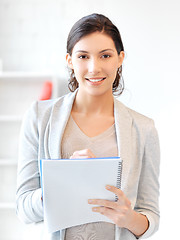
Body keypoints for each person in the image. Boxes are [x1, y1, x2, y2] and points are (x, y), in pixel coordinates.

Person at [16, 13, 160, 240]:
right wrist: (62, 182)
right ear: (70, 60)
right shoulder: (38, 118)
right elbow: (24, 209)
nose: (94, 68)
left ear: (120, 58)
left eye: (105, 55)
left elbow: (149, 215)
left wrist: (128, 217)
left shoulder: (144, 128)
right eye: (83, 56)